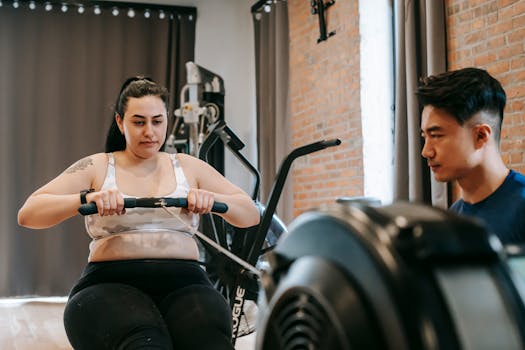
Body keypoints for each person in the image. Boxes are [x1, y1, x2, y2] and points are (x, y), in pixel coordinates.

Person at [18, 76, 260, 350]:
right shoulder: (98, 166)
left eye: (157, 121)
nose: (150, 132)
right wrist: (88, 198)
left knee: (208, 342)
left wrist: (210, 198)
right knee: (145, 344)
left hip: (186, 283)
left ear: (167, 120)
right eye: (138, 122)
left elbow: (250, 214)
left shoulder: (188, 166)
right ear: (121, 123)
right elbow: (29, 213)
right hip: (109, 283)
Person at [417, 67, 525, 245]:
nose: (426, 151)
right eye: (425, 137)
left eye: (436, 135)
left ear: (481, 136)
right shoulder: (453, 217)